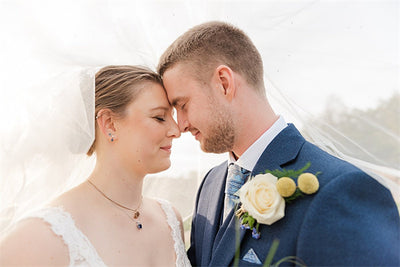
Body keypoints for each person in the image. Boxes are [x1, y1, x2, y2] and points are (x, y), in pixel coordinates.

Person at [157, 21, 400, 266]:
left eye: (183, 105)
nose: (181, 125)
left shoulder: (341, 190)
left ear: (224, 83)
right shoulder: (210, 186)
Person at [0, 65, 191, 266]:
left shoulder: (170, 219)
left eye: (173, 117)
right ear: (109, 124)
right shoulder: (40, 235)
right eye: (159, 117)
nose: (176, 130)